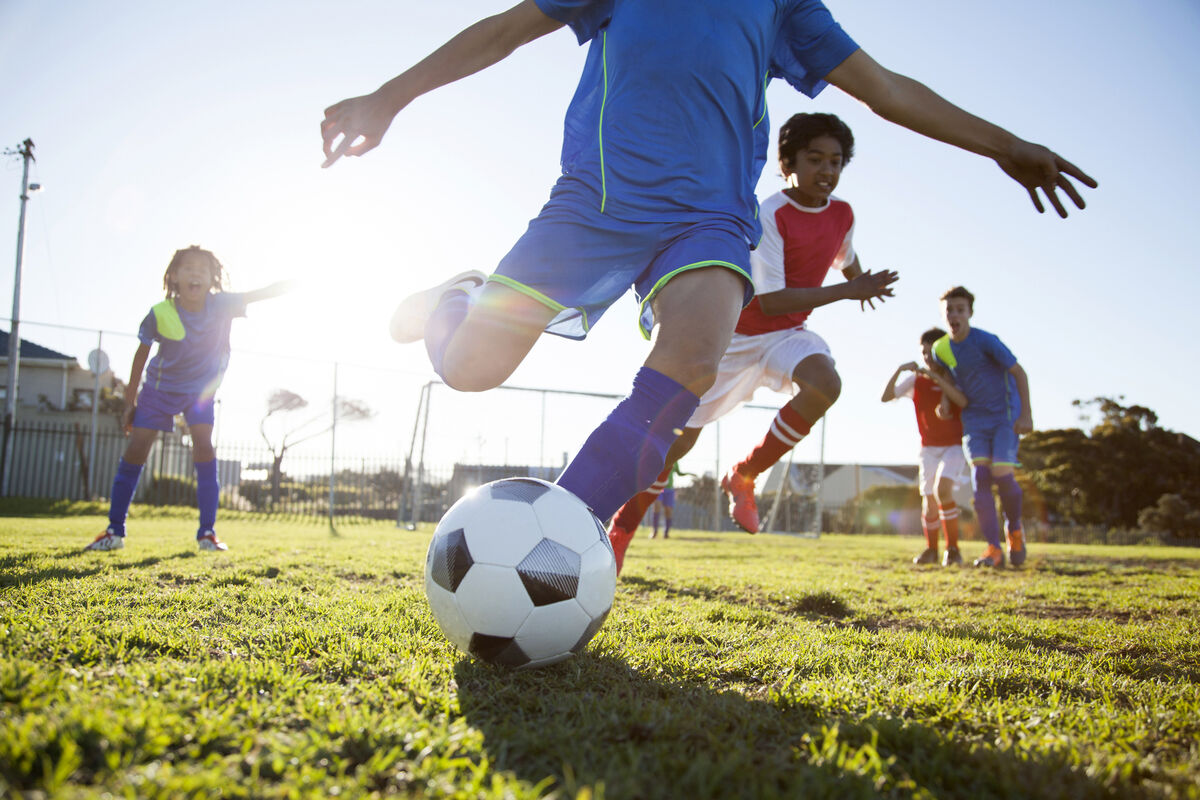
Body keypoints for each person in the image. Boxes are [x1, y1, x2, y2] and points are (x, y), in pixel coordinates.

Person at [319, 0, 1095, 542]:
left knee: (691, 361)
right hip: (594, 203)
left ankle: (563, 530)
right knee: (471, 370)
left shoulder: (786, 4)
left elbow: (887, 90)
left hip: (709, 217)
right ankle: (460, 298)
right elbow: (504, 31)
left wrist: (1004, 145)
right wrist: (389, 97)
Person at [605, 111, 897, 571]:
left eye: (836, 161)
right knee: (677, 445)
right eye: (815, 159)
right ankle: (621, 530)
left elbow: (845, 257)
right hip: (735, 336)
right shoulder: (770, 214)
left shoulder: (843, 214)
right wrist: (849, 291)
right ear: (788, 164)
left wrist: (862, 282)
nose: (827, 170)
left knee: (825, 383)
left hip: (785, 336)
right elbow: (773, 301)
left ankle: (744, 475)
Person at [85, 247, 290, 552]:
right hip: (159, 389)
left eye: (203, 269)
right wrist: (130, 401)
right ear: (174, 277)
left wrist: (290, 284)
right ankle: (114, 531)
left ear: (212, 279)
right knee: (137, 449)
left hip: (200, 392)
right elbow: (141, 355)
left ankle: (207, 533)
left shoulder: (222, 304)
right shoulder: (160, 312)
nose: (196, 273)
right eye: (188, 268)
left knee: (204, 448)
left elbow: (258, 294)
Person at [933, 286, 1030, 568]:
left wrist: (1026, 415)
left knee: (1001, 472)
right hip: (974, 419)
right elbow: (947, 376)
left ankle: (1014, 530)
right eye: (949, 310)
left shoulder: (986, 341)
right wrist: (945, 401)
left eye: (960, 310)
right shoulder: (941, 349)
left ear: (970, 313)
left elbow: (1019, 372)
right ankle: (993, 548)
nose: (954, 315)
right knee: (981, 477)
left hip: (1004, 415)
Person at [882, 327, 970, 566]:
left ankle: (953, 549)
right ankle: (931, 549)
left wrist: (940, 383)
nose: (928, 358)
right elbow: (886, 397)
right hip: (928, 448)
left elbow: (962, 401)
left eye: (932, 353)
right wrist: (899, 370)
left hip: (952, 446)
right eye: (924, 353)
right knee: (929, 498)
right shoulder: (916, 380)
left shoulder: (955, 377)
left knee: (943, 490)